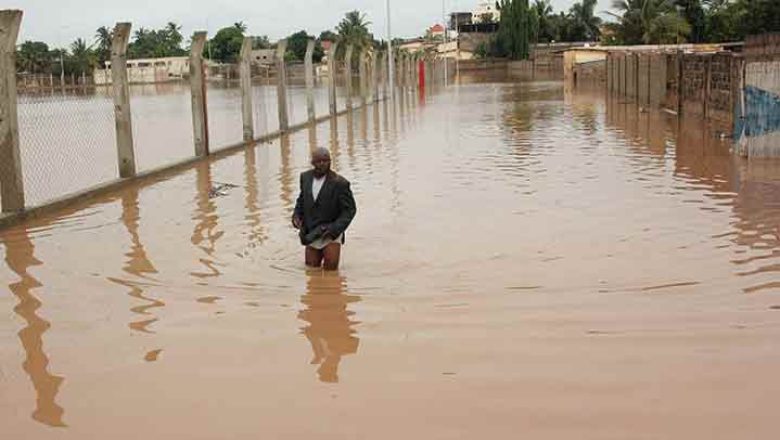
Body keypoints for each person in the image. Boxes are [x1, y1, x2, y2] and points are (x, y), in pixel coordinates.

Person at [292, 148, 356, 270]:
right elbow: (301, 200)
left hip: (331, 231)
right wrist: (296, 216)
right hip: (312, 230)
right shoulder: (305, 178)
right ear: (312, 162)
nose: (322, 164)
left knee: (331, 269)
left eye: (325, 160)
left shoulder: (340, 183)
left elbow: (350, 210)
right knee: (311, 267)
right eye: (319, 161)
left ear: (330, 162)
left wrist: (335, 229)